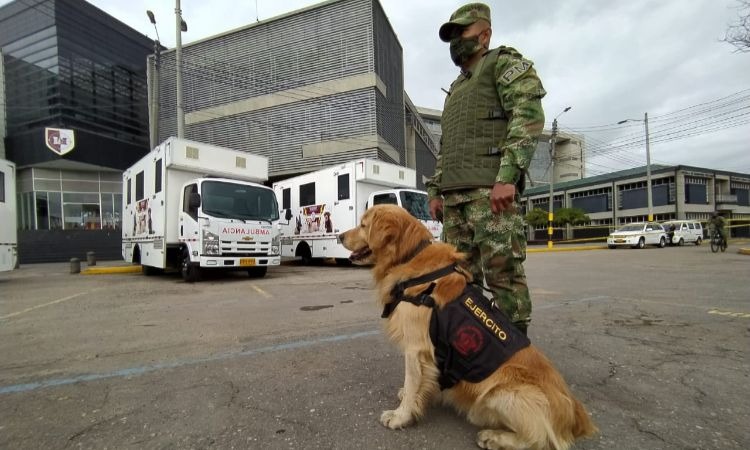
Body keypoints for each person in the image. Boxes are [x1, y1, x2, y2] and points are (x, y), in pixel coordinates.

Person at [426, 3, 546, 334]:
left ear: (485, 34)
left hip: (489, 195)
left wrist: (508, 177)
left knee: (502, 274)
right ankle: (475, 350)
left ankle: (515, 352)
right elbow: (447, 146)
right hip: (454, 203)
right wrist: (435, 190)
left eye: (461, 33)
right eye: (451, 37)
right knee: (460, 280)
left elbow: (528, 117)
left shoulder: (502, 64)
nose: (455, 43)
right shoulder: (455, 89)